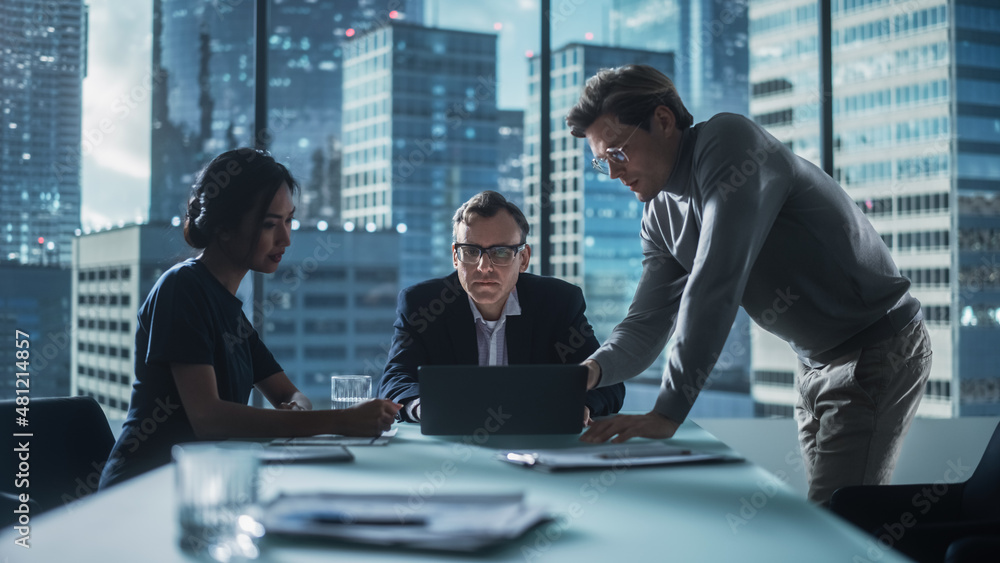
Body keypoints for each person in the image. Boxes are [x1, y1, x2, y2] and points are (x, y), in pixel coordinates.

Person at [566, 64, 932, 504]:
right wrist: (587, 374)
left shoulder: (729, 143)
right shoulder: (658, 215)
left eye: (618, 153)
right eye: (601, 161)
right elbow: (644, 324)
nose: (612, 174)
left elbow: (715, 281)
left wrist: (668, 412)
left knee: (839, 519)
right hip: (813, 363)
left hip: (878, 347)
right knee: (831, 514)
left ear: (663, 121)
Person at [99, 148, 401, 489]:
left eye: (289, 221)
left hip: (202, 483)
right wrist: (340, 420)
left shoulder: (230, 311)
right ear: (225, 227)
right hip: (145, 487)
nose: (286, 238)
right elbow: (208, 419)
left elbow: (292, 394)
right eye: (270, 224)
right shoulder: (181, 289)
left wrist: (298, 412)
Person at [379, 191, 625, 424]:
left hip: (537, 447)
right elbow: (395, 381)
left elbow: (607, 383)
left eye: (501, 252)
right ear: (456, 257)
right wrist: (425, 407)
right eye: (470, 251)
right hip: (451, 439)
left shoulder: (558, 303)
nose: (484, 267)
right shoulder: (422, 304)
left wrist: (581, 406)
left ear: (524, 259)